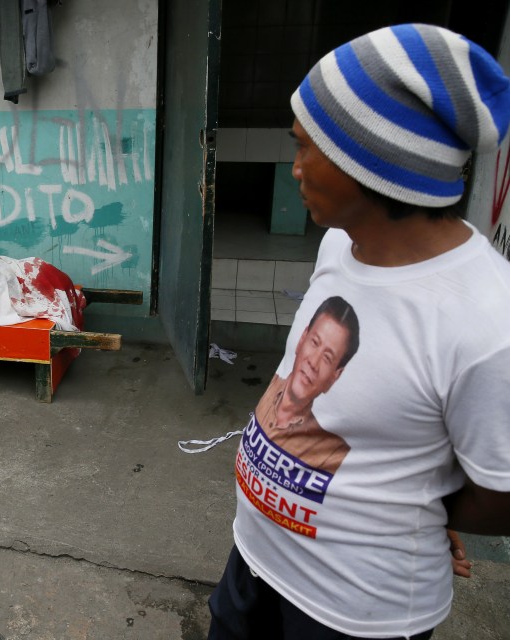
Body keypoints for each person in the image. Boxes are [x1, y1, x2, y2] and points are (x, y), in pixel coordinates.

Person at [209, 24, 510, 640]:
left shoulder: (486, 322)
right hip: (256, 564)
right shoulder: (341, 246)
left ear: (370, 161)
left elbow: (502, 492)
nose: (292, 168)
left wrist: (418, 506)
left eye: (304, 147)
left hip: (351, 614)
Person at [254, 296, 358, 475]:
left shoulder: (332, 452)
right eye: (315, 342)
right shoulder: (272, 390)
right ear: (302, 339)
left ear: (335, 376)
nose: (313, 362)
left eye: (327, 358)